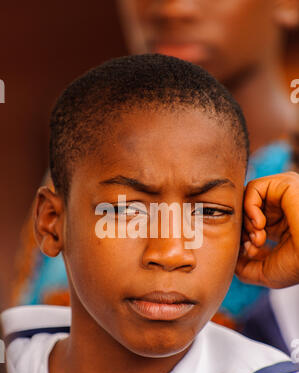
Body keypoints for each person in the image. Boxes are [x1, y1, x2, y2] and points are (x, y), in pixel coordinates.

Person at [1, 55, 299, 373]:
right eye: (127, 210)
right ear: (52, 222)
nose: (172, 251)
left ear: (246, 224)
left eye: (209, 212)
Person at [11, 0, 299, 326]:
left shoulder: (289, 178)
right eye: (122, 208)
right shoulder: (89, 158)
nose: (171, 9)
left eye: (211, 211)